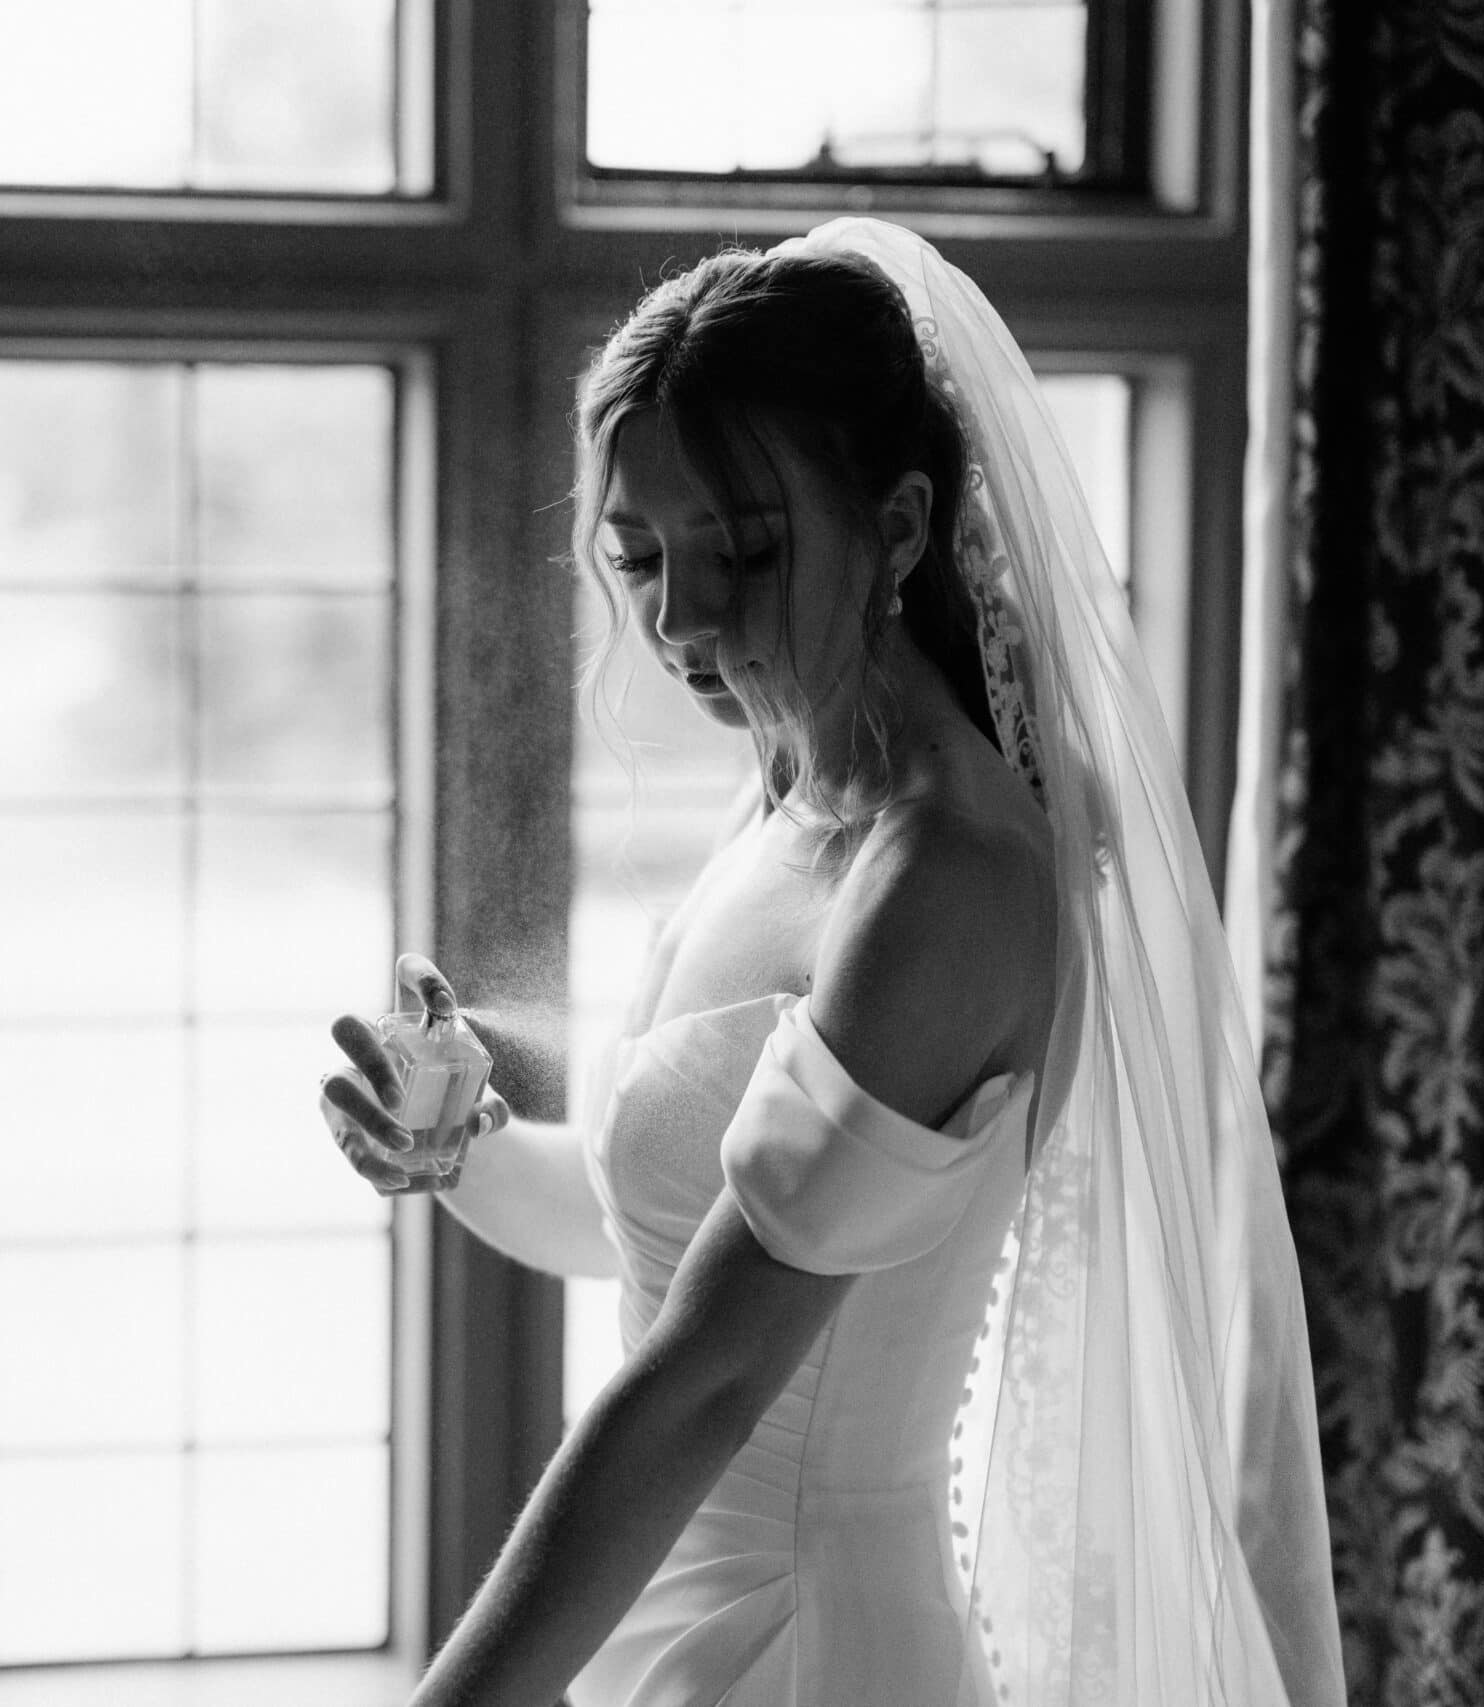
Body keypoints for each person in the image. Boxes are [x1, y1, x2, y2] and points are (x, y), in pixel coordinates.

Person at [319, 219, 1344, 1707]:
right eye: (642, 554)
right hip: (661, 1615)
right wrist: (456, 1146)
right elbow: (657, 1239)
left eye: (742, 549)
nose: (678, 617)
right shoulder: (791, 797)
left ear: (906, 523)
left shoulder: (948, 879)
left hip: (810, 1650)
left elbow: (709, 1381)